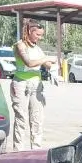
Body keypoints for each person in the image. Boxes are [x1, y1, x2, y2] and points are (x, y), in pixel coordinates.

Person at [10, 19, 57, 151]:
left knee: (37, 119)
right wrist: (46, 59)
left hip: (36, 86)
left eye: (41, 35)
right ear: (30, 31)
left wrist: (53, 67)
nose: (40, 38)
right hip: (21, 85)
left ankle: (35, 150)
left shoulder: (37, 49)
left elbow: (47, 64)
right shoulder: (20, 45)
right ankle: (18, 151)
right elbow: (29, 63)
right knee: (21, 118)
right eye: (38, 34)